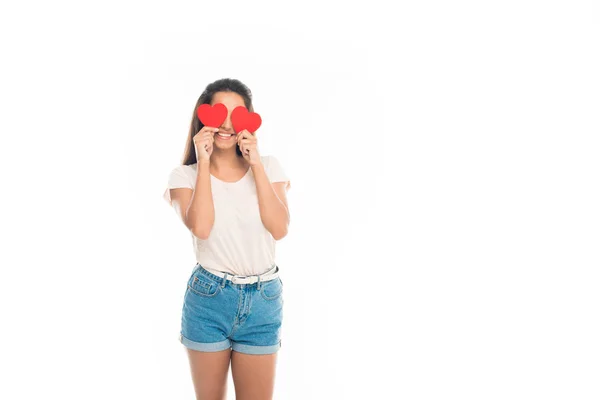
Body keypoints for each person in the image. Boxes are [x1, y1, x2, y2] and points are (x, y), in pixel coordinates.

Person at [163, 78, 291, 400]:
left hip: (263, 300)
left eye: (238, 114)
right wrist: (203, 161)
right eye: (219, 112)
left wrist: (256, 165)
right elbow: (202, 227)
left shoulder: (269, 167)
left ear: (249, 122)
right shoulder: (185, 176)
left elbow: (279, 228)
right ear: (203, 116)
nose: (227, 123)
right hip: (209, 299)